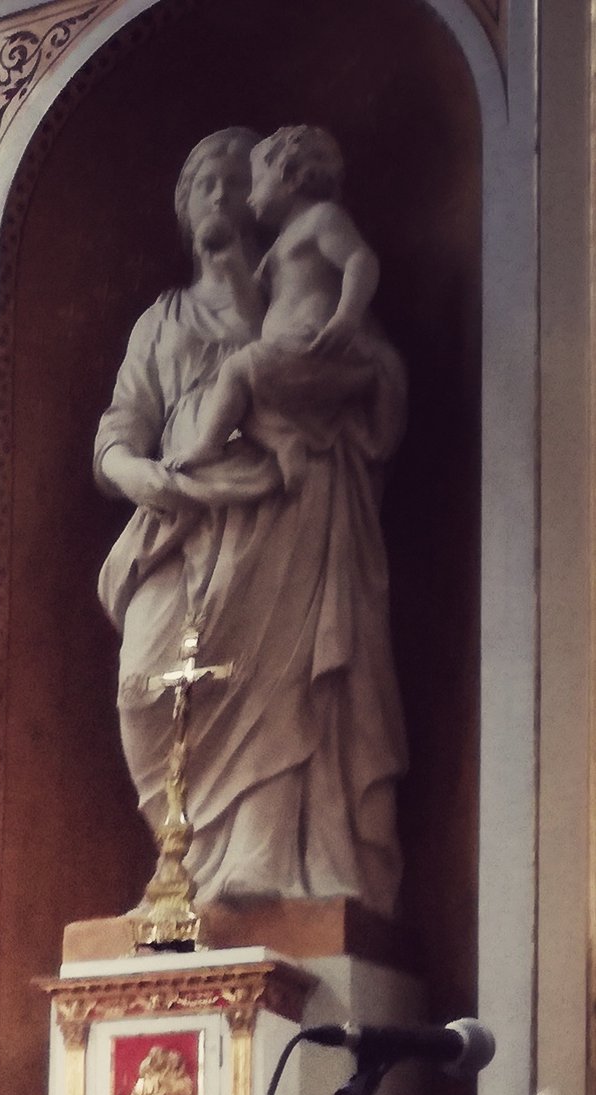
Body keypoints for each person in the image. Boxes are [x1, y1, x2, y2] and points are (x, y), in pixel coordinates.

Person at [94, 125, 406, 915]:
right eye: (209, 185)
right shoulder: (160, 320)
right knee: (145, 682)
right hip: (181, 514)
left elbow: (368, 367)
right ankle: (183, 872)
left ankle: (264, 871)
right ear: (185, 206)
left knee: (280, 685)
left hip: (286, 509)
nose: (227, 198)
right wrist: (158, 479)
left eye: (241, 184)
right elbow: (116, 439)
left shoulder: (291, 298)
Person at [168, 126, 382, 492]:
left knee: (236, 370)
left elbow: (360, 260)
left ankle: (208, 445)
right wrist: (233, 265)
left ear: (289, 177)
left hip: (314, 347)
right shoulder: (279, 250)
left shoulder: (322, 220)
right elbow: (254, 310)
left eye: (251, 183)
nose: (247, 197)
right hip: (285, 359)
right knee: (241, 397)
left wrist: (346, 315)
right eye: (207, 185)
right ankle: (284, 442)